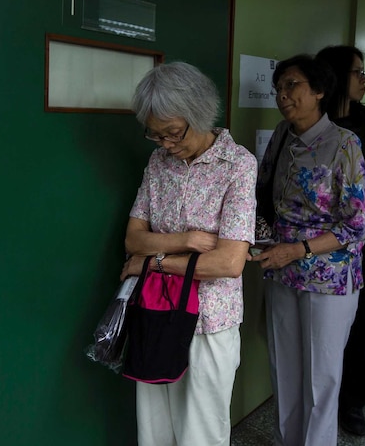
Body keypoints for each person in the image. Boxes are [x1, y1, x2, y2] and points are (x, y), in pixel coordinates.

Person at [120, 62, 256, 446]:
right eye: (156, 135)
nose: (166, 144)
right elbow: (133, 238)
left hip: (209, 321)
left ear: (200, 114)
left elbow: (227, 264)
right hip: (154, 311)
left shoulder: (238, 165)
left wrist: (152, 262)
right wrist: (188, 240)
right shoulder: (158, 163)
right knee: (154, 431)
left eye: (173, 133)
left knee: (202, 436)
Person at [250, 54, 365, 446]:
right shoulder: (283, 135)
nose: (283, 95)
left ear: (319, 91)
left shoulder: (344, 143)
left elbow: (356, 225)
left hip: (329, 275)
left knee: (321, 377)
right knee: (284, 368)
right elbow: (264, 194)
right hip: (281, 267)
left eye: (292, 86)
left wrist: (297, 249)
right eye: (279, 88)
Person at [318, 46, 365, 437]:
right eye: (358, 72)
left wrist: (326, 180)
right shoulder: (315, 117)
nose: (364, 79)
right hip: (319, 239)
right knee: (326, 330)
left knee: (361, 322)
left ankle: (354, 399)